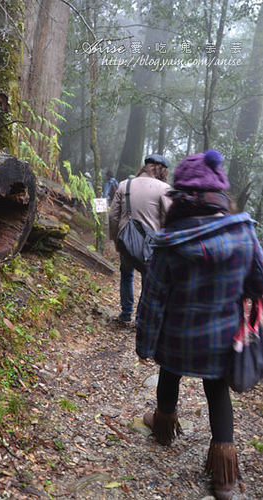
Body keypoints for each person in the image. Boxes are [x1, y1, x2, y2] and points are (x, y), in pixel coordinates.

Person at [136, 149, 263, 500]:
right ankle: (224, 478)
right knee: (217, 392)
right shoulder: (245, 234)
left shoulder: (168, 243)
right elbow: (259, 284)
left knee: (169, 374)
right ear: (221, 195)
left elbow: (152, 301)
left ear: (181, 198)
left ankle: (163, 427)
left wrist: (145, 346)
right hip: (221, 340)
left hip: (177, 339)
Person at [109, 154, 172, 324]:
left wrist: (115, 238)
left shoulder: (125, 185)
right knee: (148, 280)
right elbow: (169, 218)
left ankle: (125, 313)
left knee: (126, 274)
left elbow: (113, 216)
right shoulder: (165, 189)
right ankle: (140, 319)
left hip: (126, 239)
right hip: (151, 245)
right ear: (162, 170)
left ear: (145, 167)